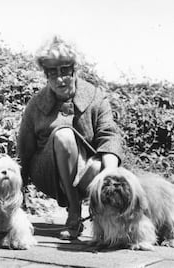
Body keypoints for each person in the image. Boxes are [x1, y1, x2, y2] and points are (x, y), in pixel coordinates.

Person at [17, 36, 123, 240]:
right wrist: (16, 195)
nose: (60, 79)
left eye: (65, 71)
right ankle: (74, 211)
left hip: (88, 173)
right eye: (52, 73)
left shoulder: (95, 96)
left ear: (75, 69)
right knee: (63, 135)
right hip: (47, 174)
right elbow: (25, 151)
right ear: (45, 74)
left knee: (98, 166)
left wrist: (109, 174)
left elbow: (109, 135)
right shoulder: (35, 105)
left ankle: (103, 218)